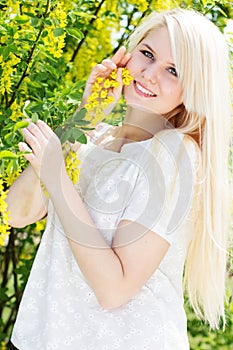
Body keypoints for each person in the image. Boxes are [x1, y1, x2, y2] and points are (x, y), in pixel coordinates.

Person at [7, 8, 231, 350]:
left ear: (194, 88)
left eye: (173, 70)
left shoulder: (175, 155)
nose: (150, 74)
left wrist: (56, 174)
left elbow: (115, 290)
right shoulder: (92, 137)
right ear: (129, 52)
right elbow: (17, 213)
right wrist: (85, 117)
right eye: (147, 54)